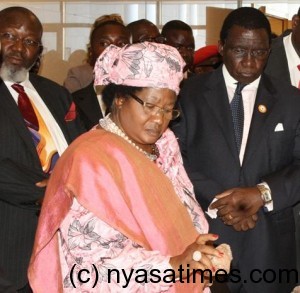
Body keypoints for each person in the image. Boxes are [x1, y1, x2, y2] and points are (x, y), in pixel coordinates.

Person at [28, 42, 232, 292]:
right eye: (150, 105)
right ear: (120, 99)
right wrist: (172, 265)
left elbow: (183, 216)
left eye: (168, 110)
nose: (159, 119)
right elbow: (92, 270)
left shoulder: (164, 143)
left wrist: (200, 250)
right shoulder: (91, 160)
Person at [171, 7, 300, 293]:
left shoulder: (291, 100)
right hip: (203, 237)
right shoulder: (188, 94)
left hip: (269, 246)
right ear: (221, 47)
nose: (250, 62)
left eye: (260, 52)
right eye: (240, 50)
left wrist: (261, 193)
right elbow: (175, 159)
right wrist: (223, 202)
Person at [0, 6, 84, 292]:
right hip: (11, 248)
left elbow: (81, 150)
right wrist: (53, 190)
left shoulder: (55, 93)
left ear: (39, 51)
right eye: (9, 35)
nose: (18, 47)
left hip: (68, 246)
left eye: (29, 41)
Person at [72, 14, 130, 130]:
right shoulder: (72, 102)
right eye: (104, 44)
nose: (113, 51)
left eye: (121, 44)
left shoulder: (143, 100)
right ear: (91, 51)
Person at [63, 14, 125, 93]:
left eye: (121, 43)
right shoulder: (79, 76)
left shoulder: (135, 77)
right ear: (91, 47)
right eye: (104, 43)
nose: (113, 49)